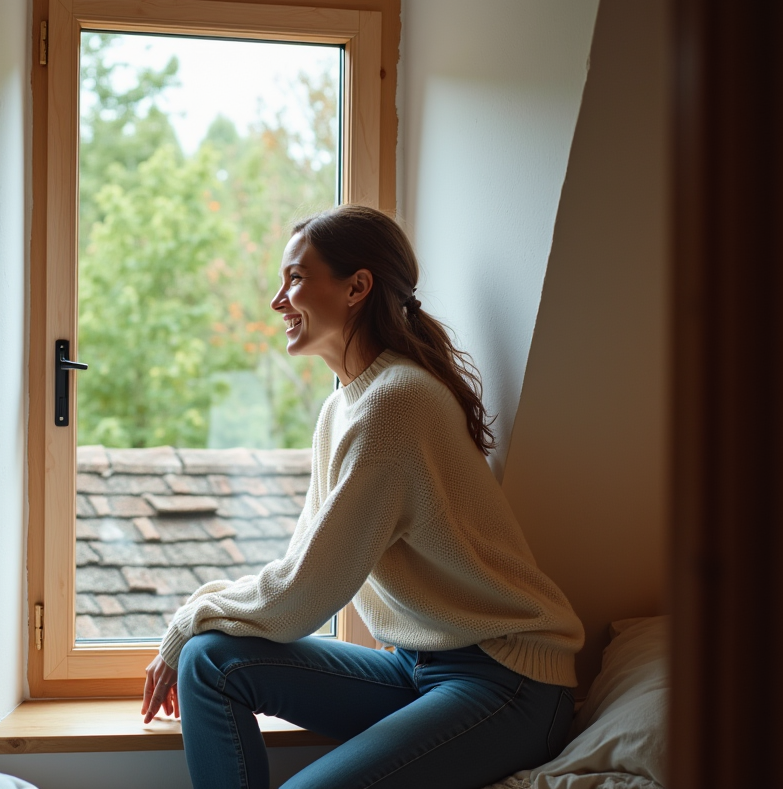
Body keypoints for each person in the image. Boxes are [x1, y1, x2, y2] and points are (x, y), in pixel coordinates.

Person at [141, 205, 584, 789]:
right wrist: (196, 625)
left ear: (358, 286)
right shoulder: (343, 406)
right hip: (415, 665)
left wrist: (188, 616)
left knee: (201, 643)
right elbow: (302, 563)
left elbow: (305, 596)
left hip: (508, 681)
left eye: (295, 278)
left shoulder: (395, 404)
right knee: (210, 661)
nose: (278, 301)